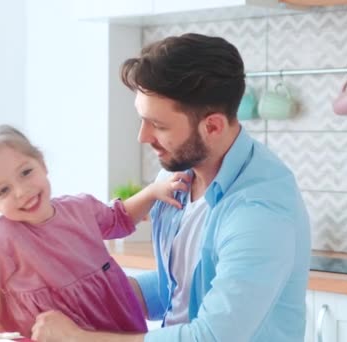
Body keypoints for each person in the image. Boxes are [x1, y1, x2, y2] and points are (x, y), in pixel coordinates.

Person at [30, 33, 311, 342]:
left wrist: (77, 338)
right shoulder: (178, 180)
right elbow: (177, 289)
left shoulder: (260, 211)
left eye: (159, 126)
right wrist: (84, 296)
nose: (143, 137)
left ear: (213, 126)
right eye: (143, 120)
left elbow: (212, 338)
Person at [0, 124, 190, 338]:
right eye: (3, 190)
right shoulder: (1, 242)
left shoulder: (80, 208)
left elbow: (119, 217)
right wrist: (0, 337)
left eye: (26, 173)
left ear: (42, 164)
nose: (21, 192)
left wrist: (151, 193)